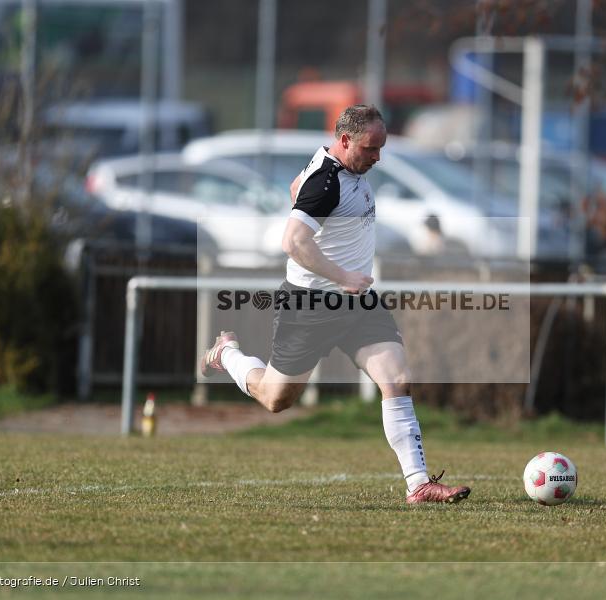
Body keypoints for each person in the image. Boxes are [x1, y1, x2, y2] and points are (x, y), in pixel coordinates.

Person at [200, 105, 470, 504]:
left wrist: (349, 281)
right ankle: (229, 354)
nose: (377, 157)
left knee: (396, 379)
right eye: (370, 148)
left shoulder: (338, 168)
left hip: (358, 304)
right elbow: (292, 241)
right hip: (309, 305)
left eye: (381, 147)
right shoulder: (326, 182)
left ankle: (419, 484)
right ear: (345, 141)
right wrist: (342, 276)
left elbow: (295, 188)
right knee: (277, 399)